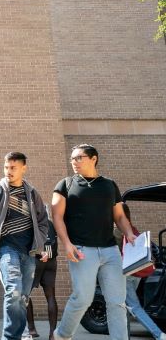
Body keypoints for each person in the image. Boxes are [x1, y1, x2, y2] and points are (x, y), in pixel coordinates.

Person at [52, 144, 136, 340]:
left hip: (110, 251)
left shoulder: (109, 185)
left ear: (93, 158)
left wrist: (129, 234)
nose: (74, 162)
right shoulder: (65, 184)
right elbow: (56, 216)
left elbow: (120, 217)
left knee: (117, 302)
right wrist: (67, 244)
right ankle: (62, 334)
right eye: (72, 158)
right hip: (82, 250)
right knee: (82, 298)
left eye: (79, 158)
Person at [0, 152, 49, 340]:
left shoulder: (31, 193)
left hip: (28, 251)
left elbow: (43, 221)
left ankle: (18, 334)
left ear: (23, 168)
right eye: (6, 167)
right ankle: (9, 337)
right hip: (6, 250)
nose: (9, 171)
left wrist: (41, 242)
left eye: (13, 167)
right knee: (13, 290)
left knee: (22, 298)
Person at [114, 203, 166, 340]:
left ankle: (158, 334)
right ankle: (124, 336)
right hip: (136, 272)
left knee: (134, 307)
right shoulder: (132, 229)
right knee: (124, 305)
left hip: (124, 274)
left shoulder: (116, 232)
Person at [25, 219, 59, 340]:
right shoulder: (50, 223)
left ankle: (31, 329)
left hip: (35, 260)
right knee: (51, 297)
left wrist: (40, 253)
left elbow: (28, 241)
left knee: (26, 294)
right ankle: (52, 334)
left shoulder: (31, 221)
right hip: (51, 261)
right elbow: (55, 240)